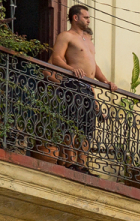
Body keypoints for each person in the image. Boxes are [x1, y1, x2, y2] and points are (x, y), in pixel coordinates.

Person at [47, 5, 115, 168]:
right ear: (75, 18)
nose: (88, 20)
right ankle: (70, 161)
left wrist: (105, 81)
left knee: (87, 127)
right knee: (71, 123)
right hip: (73, 84)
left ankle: (82, 164)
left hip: (88, 87)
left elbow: (93, 64)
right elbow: (56, 59)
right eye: (85, 17)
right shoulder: (66, 36)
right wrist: (72, 69)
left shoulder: (88, 41)